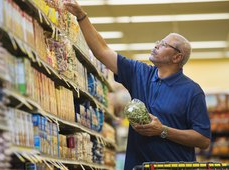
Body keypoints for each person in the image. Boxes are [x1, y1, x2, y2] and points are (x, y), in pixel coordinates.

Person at [64, 1, 211, 170]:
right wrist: (81, 16)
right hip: (138, 167)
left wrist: (162, 130)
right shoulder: (140, 73)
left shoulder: (192, 91)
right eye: (158, 41)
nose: (156, 45)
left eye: (163, 44)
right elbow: (102, 51)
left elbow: (203, 140)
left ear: (177, 57)